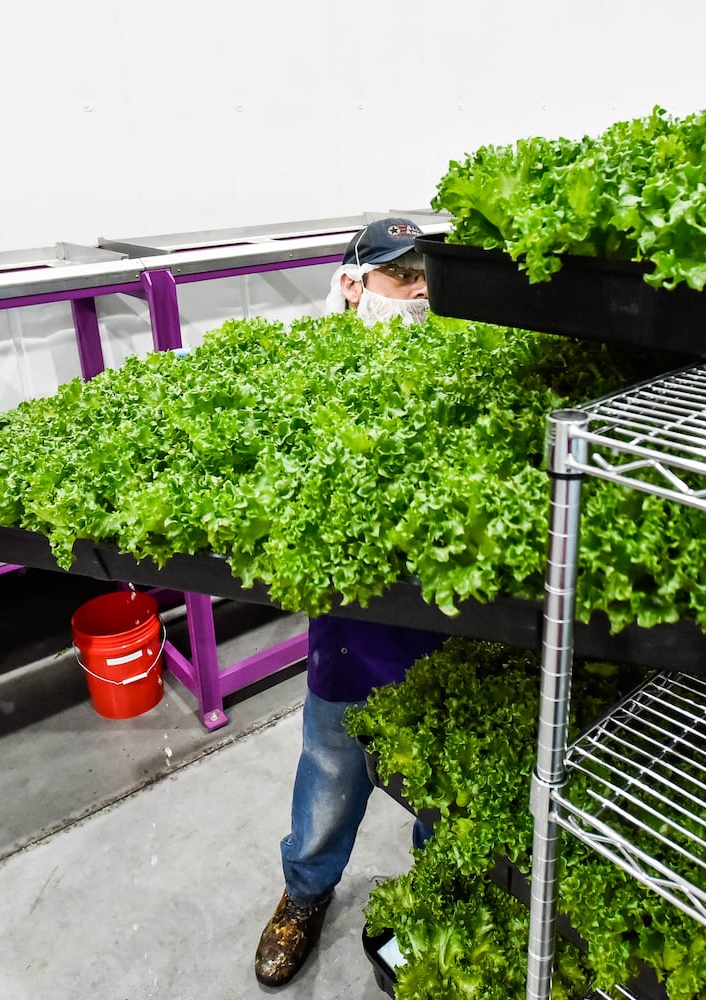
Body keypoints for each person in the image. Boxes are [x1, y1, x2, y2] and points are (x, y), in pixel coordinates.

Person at [254, 218, 446, 988]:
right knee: (332, 769)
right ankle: (305, 894)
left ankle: (440, 892)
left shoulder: (459, 360)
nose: (420, 293)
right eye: (403, 279)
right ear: (354, 283)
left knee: (443, 784)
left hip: (448, 633)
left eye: (428, 277)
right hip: (353, 633)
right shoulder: (312, 377)